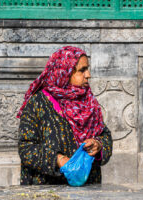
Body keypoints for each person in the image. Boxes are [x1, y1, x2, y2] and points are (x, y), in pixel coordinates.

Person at [17, 46, 113, 185]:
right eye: (82, 70)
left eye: (87, 69)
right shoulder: (38, 103)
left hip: (86, 188)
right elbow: (26, 148)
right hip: (48, 189)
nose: (88, 75)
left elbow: (104, 135)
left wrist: (98, 144)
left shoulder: (88, 102)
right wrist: (59, 159)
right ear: (64, 72)